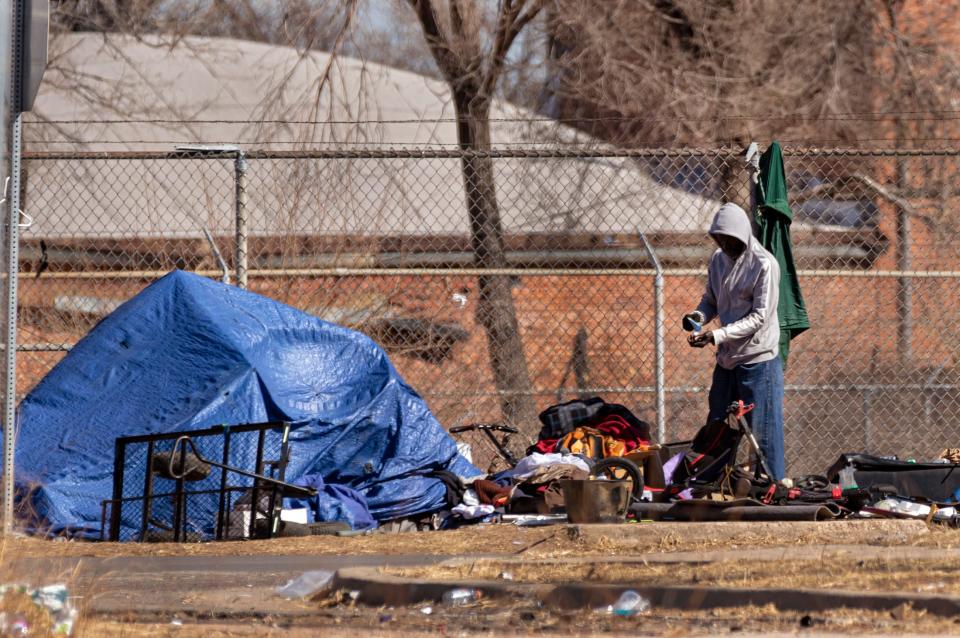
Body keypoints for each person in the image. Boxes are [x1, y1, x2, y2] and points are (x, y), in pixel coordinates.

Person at [683, 202, 785, 480]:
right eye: (721, 239)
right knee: (718, 423)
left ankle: (773, 487)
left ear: (743, 235)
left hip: (758, 360)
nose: (726, 245)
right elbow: (711, 300)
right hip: (728, 360)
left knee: (763, 431)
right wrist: (698, 318)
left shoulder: (764, 264)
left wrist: (716, 335)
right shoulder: (717, 260)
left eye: (731, 240)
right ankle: (710, 482)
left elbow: (760, 317)